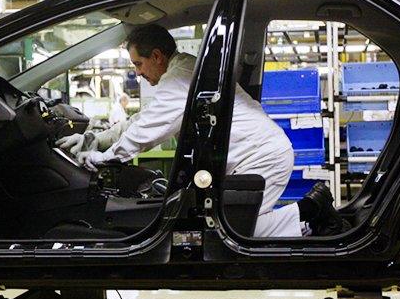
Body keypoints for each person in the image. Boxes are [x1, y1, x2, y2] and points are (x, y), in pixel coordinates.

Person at [56, 24, 339, 237]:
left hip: (262, 156)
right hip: (257, 154)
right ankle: (312, 212)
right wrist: (93, 139)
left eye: (138, 65)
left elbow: (147, 132)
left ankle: (313, 212)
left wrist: (109, 158)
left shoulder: (179, 78)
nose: (138, 73)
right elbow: (141, 120)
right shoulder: (181, 73)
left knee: (235, 231)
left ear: (156, 56)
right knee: (234, 225)